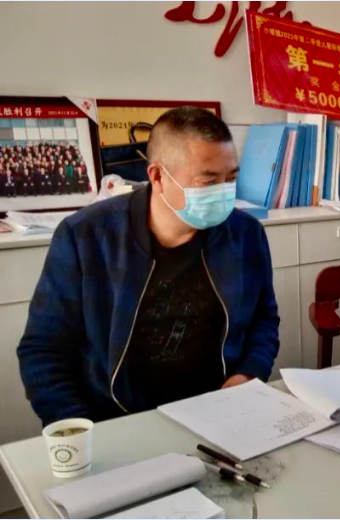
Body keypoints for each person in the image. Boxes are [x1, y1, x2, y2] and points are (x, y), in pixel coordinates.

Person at [18, 107, 280, 426]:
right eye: (209, 181)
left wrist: (248, 374)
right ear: (157, 176)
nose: (224, 191)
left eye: (231, 178)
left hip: (220, 409)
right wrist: (80, 427)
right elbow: (44, 349)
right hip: (114, 418)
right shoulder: (86, 237)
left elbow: (263, 319)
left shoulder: (245, 235)